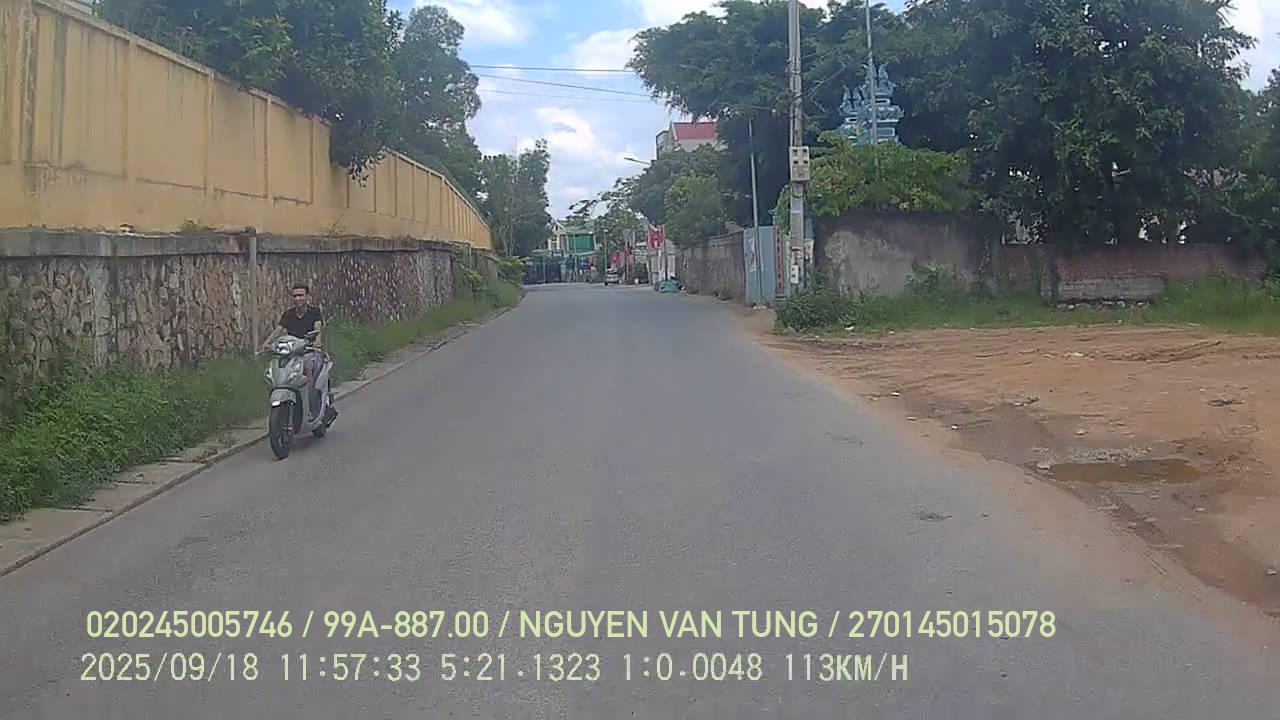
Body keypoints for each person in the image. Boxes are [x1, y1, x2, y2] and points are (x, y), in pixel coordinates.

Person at [261, 283, 333, 420]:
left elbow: (317, 328)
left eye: (300, 295)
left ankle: (312, 407)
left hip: (309, 352)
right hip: (291, 354)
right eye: (295, 296)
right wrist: (267, 343)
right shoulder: (288, 314)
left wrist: (317, 341)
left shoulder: (314, 312)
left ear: (307, 297)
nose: (297, 298)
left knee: (308, 370)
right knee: (274, 371)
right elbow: (279, 330)